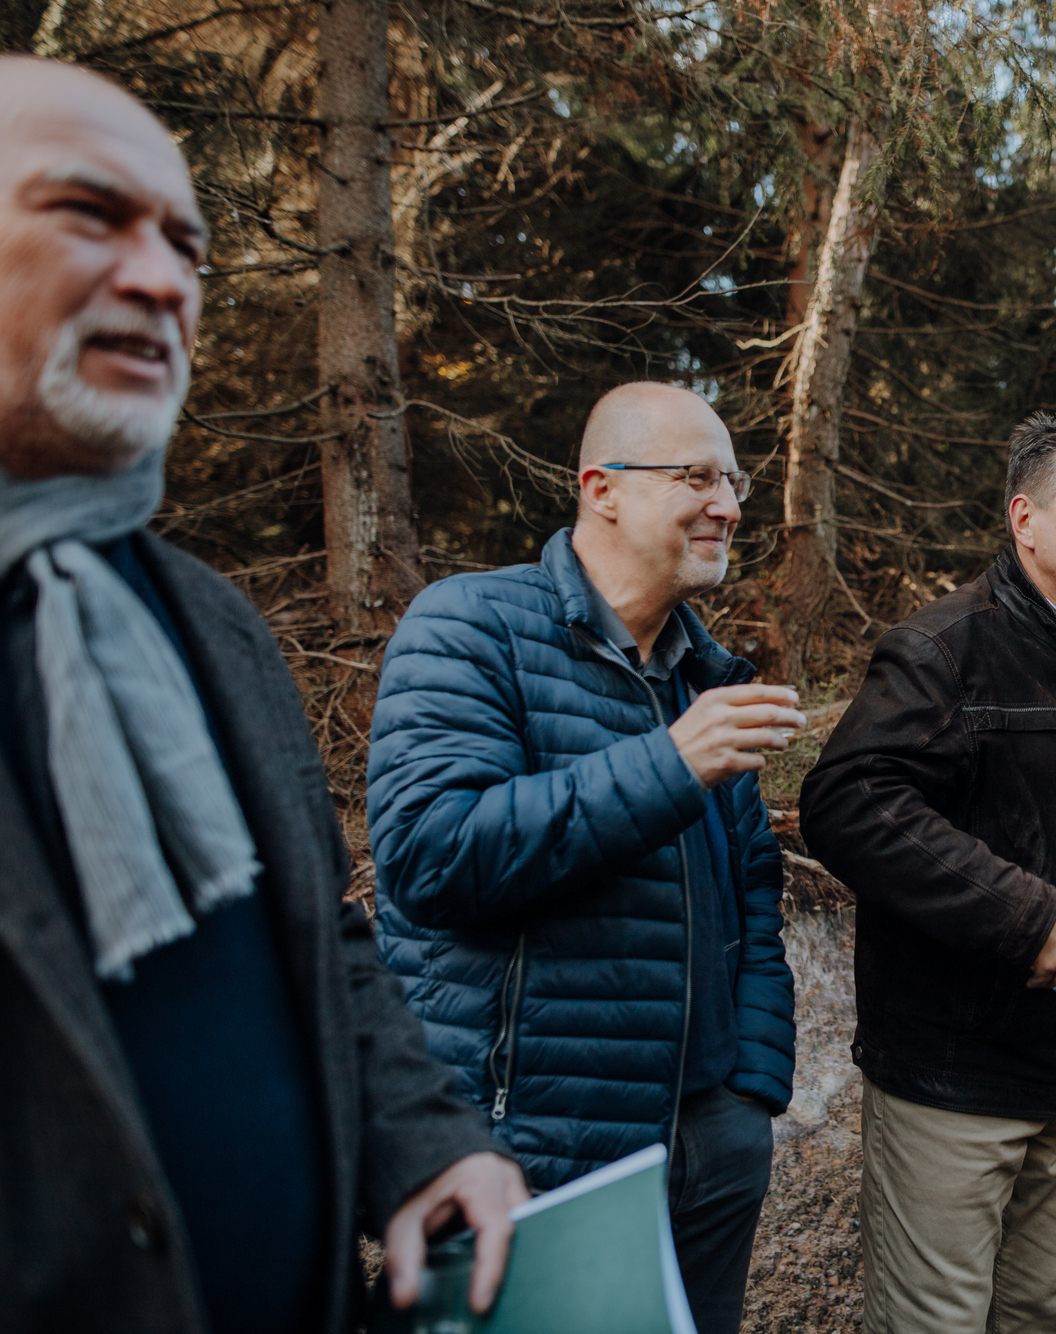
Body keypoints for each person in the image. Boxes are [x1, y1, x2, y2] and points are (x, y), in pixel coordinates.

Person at [0, 57, 526, 1332]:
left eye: (186, 244)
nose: (161, 278)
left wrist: (423, 1139)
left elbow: (318, 936)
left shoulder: (210, 620)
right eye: (91, 214)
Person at [366, 382, 802, 1333]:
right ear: (601, 490)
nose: (728, 505)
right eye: (696, 478)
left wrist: (747, 1099)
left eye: (733, 481)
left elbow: (755, 891)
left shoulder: (701, 670)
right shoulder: (468, 626)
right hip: (531, 1153)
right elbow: (429, 857)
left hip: (704, 1152)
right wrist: (669, 763)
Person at [799, 410, 1056, 1334]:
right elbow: (850, 803)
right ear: (1025, 519)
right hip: (954, 1075)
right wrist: (1027, 918)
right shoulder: (946, 648)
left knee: (1044, 1318)